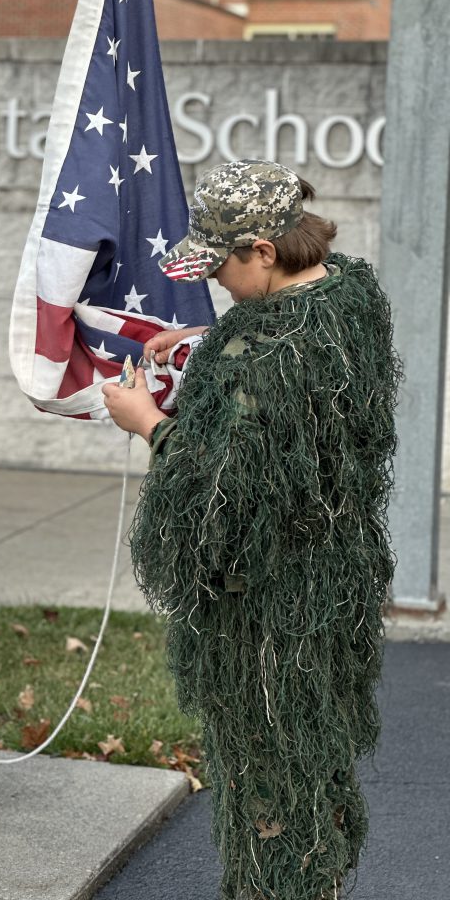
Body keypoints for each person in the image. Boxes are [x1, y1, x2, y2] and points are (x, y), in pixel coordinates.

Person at [103, 159, 400, 900]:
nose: (217, 284)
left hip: (264, 609)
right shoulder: (349, 294)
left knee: (267, 773)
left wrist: (149, 425)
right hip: (335, 581)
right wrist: (215, 332)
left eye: (223, 268)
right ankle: (319, 884)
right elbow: (296, 352)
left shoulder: (260, 356)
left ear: (264, 252)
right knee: (316, 752)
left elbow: (216, 498)